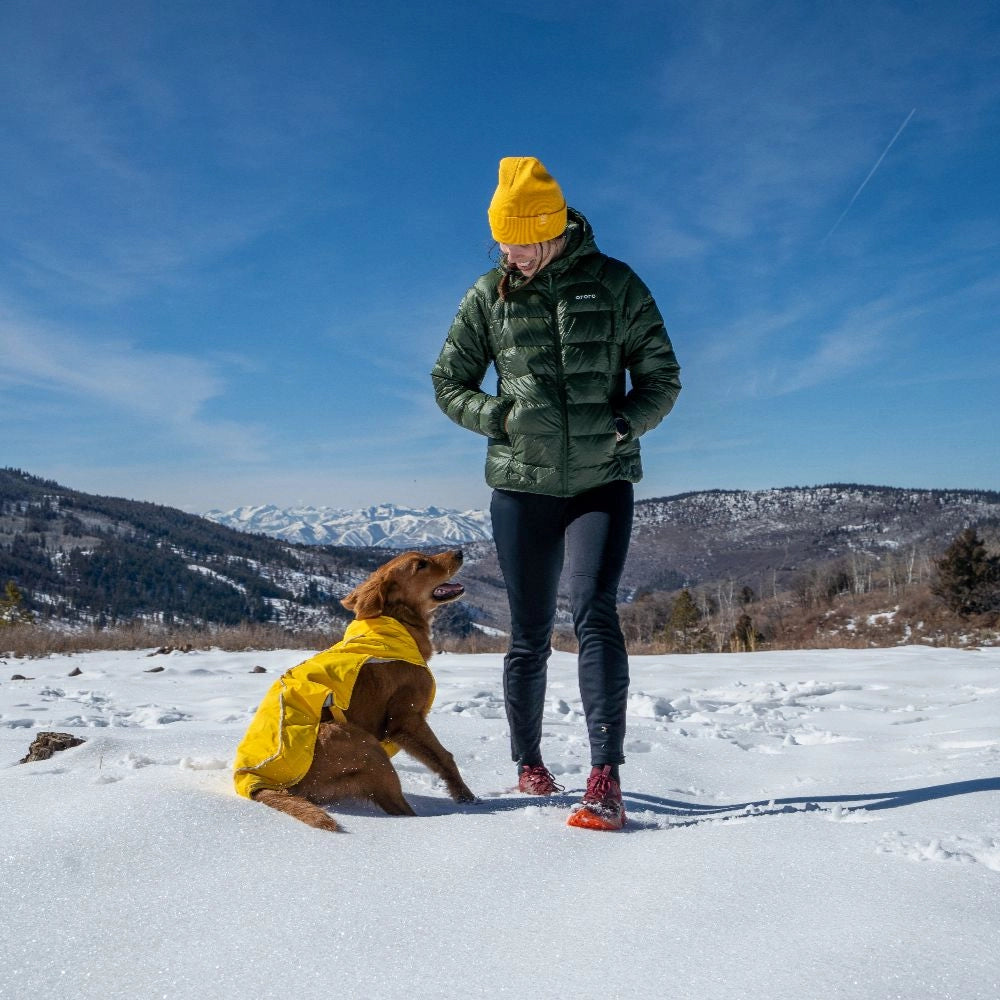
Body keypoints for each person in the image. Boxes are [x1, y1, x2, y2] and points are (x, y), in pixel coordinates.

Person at [431, 157, 681, 830]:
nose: (509, 256)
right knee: (529, 633)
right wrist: (501, 418)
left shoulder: (617, 284)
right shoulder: (489, 296)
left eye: (520, 242)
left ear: (551, 229)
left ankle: (605, 778)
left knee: (595, 611)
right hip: (521, 486)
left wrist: (624, 422)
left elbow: (662, 377)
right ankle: (530, 762)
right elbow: (448, 383)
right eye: (501, 243)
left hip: (601, 480)